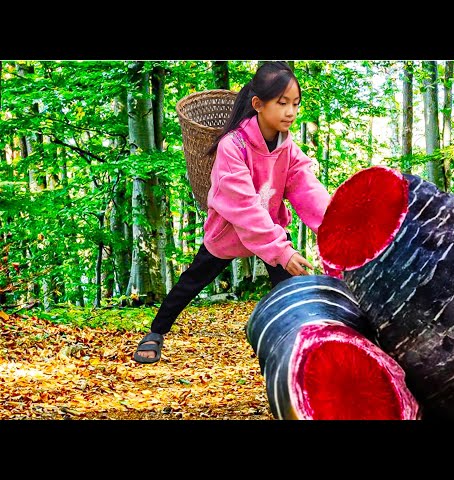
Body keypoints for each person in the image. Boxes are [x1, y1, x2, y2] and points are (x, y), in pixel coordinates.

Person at [133, 61, 331, 364]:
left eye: (295, 104)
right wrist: (282, 250)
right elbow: (243, 206)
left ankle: (304, 352)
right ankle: (156, 332)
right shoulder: (232, 146)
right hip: (229, 233)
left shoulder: (287, 148)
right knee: (191, 283)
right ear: (258, 105)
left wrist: (333, 226)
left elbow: (307, 188)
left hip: (269, 235)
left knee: (293, 292)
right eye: (282, 103)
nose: (290, 112)